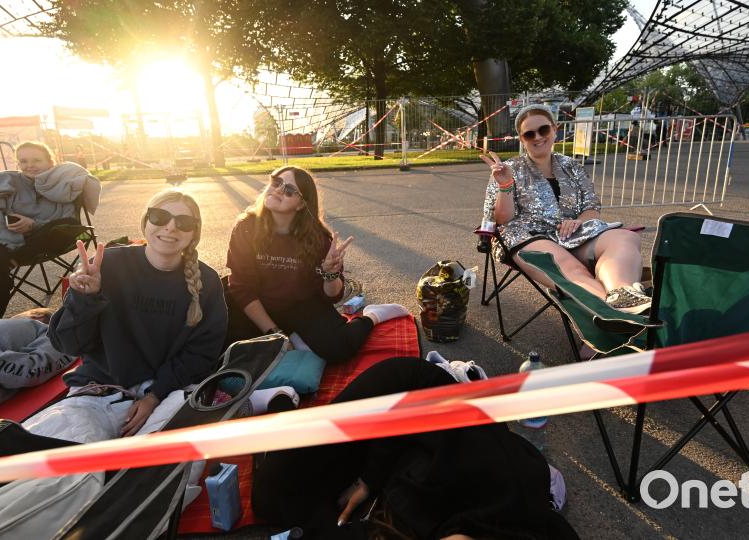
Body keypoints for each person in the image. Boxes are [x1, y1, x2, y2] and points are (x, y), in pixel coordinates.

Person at [251, 357, 577, 539]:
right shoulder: (511, 489)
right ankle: (284, 411)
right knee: (291, 469)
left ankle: (279, 405)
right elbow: (420, 412)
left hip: (399, 460)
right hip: (410, 399)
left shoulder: (421, 525)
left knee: (272, 500)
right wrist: (369, 479)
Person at [27, 189, 228, 441]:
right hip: (99, 391)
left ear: (194, 233)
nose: (170, 227)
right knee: (60, 463)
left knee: (157, 463)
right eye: (160, 217)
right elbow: (68, 344)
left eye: (183, 222)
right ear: (145, 221)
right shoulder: (107, 265)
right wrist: (85, 299)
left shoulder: (206, 281)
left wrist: (154, 396)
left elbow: (202, 353)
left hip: (168, 394)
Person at [225, 166, 409, 363]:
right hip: (259, 304)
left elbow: (333, 295)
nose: (278, 190)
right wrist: (275, 334)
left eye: (288, 191)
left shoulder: (319, 239)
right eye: (276, 182)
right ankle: (292, 337)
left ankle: (373, 316)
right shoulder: (246, 227)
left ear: (301, 204)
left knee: (341, 348)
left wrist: (331, 273)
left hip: (301, 305)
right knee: (230, 351)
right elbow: (242, 288)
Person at [480, 104, 651, 314]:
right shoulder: (509, 169)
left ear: (554, 129)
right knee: (568, 267)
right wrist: (505, 184)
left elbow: (591, 206)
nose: (537, 137)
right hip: (527, 236)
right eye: (529, 134)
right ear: (521, 138)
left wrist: (579, 221)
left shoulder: (571, 166)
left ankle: (623, 293)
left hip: (571, 234)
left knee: (625, 238)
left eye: (543, 130)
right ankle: (609, 310)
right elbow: (501, 219)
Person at [0, 140, 100, 322]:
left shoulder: (63, 186)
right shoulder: (7, 179)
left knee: (68, 228)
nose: (30, 165)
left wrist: (33, 225)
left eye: (36, 160)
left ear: (51, 162)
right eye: (23, 161)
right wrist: (9, 237)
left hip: (35, 241)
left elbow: (68, 224)